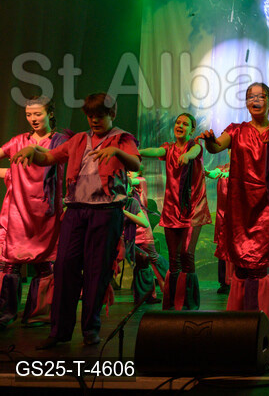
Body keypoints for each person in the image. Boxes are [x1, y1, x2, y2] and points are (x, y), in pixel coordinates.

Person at [13, 93, 140, 348]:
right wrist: (33, 151)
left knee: (96, 270)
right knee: (64, 267)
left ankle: (91, 329)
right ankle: (59, 331)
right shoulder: (79, 139)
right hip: (76, 210)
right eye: (90, 116)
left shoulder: (122, 138)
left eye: (99, 116)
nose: (94, 120)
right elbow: (49, 157)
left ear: (111, 114)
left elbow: (136, 164)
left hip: (106, 211)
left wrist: (116, 151)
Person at [199, 82, 269, 326]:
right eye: (250, 96)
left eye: (261, 96)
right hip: (240, 207)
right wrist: (209, 141)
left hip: (267, 207)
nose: (255, 100)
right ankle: (238, 324)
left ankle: (258, 322)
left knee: (259, 268)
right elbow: (216, 146)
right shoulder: (236, 130)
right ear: (246, 103)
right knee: (241, 267)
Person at [0, 96, 67, 328]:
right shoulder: (18, 141)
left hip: (46, 210)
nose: (33, 119)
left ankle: (38, 314)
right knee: (10, 263)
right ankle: (5, 313)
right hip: (18, 210)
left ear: (50, 114)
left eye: (38, 114)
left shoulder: (60, 141)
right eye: (29, 115)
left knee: (44, 263)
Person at [139, 113, 210, 311]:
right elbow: (155, 151)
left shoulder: (195, 147)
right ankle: (172, 303)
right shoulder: (169, 149)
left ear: (192, 130)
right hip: (172, 210)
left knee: (186, 254)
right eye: (178, 122)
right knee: (173, 259)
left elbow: (195, 151)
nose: (180, 125)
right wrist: (136, 151)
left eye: (185, 124)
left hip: (192, 209)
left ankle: (189, 302)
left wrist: (187, 156)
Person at [123, 171, 166, 305]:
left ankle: (170, 286)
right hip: (129, 235)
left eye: (132, 169)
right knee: (142, 262)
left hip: (143, 232)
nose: (128, 172)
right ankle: (145, 295)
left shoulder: (141, 181)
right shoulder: (123, 196)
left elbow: (131, 181)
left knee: (153, 258)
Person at [206, 163, 231, 294]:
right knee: (222, 247)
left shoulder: (245, 168)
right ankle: (224, 282)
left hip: (238, 215)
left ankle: (236, 281)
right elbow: (214, 173)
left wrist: (227, 174)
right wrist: (205, 171)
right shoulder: (222, 168)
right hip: (223, 215)